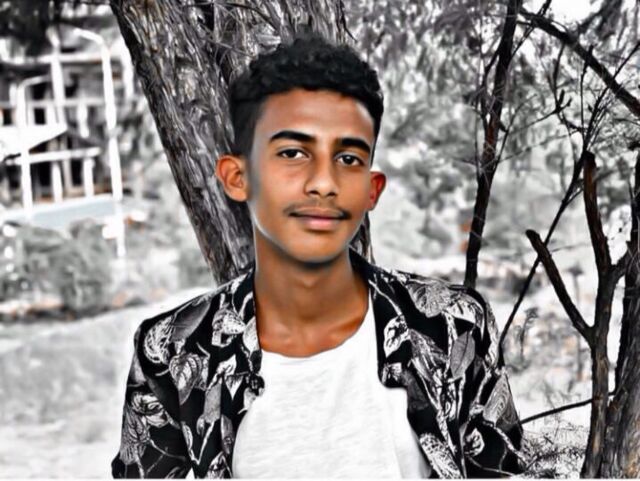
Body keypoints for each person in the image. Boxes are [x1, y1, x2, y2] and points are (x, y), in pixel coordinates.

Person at [112, 32, 525, 479]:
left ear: (371, 190)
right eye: (293, 153)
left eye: (348, 158)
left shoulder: (452, 326)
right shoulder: (172, 352)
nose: (324, 183)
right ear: (237, 177)